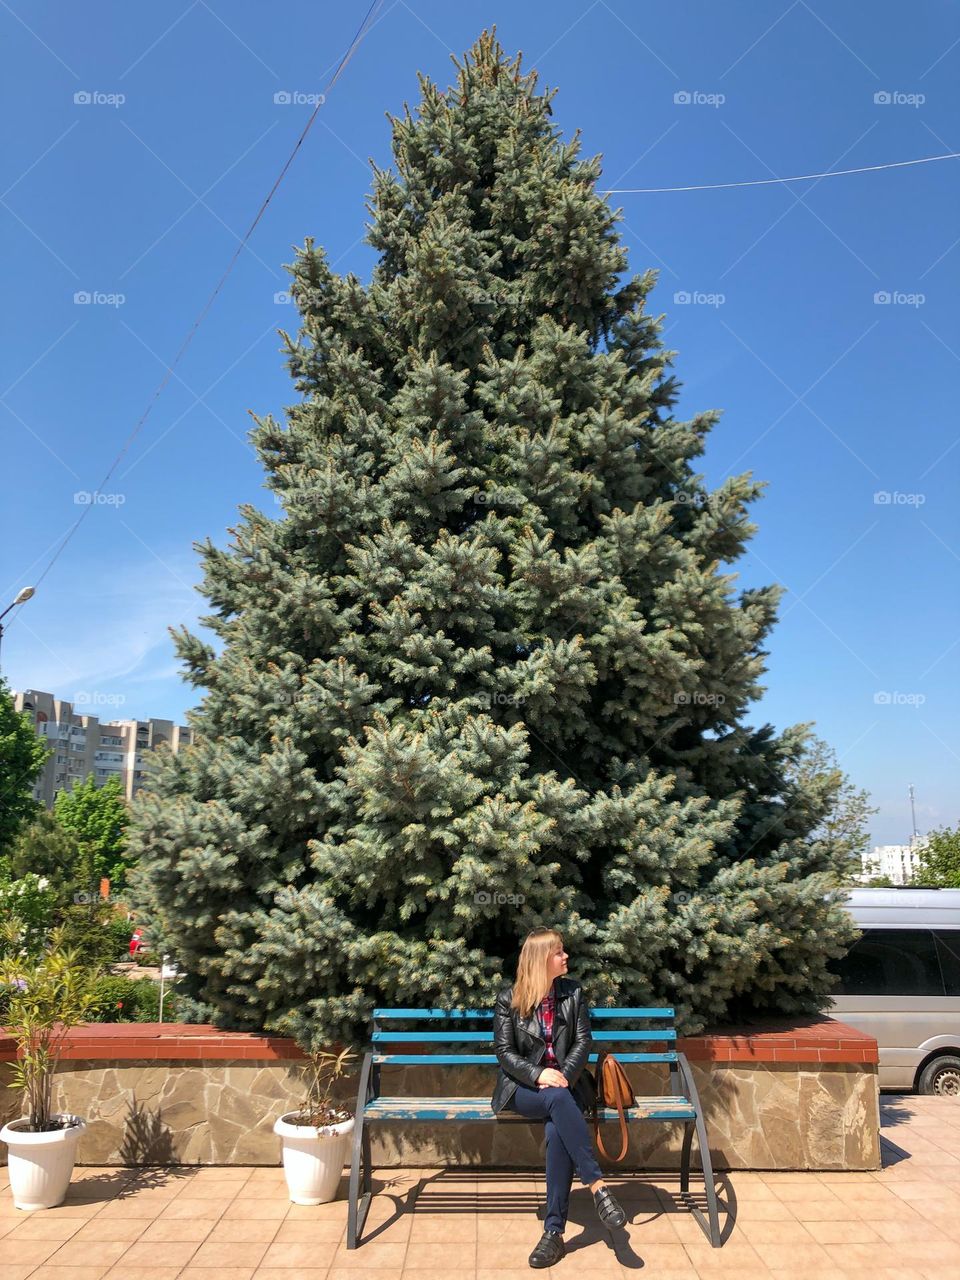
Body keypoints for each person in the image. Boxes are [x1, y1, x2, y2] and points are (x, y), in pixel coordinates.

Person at [491, 926, 627, 1268]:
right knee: (553, 1101)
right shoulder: (510, 999)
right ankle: (597, 1185)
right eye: (559, 952)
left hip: (567, 1087)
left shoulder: (573, 993)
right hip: (522, 1090)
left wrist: (564, 1074)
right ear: (541, 959)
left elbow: (584, 1041)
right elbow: (504, 1052)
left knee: (556, 1129)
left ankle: (553, 1234)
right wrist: (538, 1074)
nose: (565, 957)